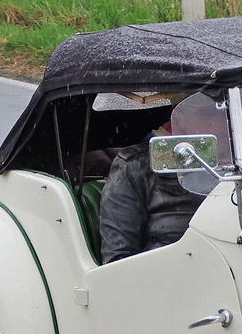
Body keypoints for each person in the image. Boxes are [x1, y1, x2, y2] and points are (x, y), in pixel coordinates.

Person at [97, 93, 227, 264]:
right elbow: (118, 260)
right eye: (205, 114)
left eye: (225, 112)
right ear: (178, 115)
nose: (218, 123)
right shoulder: (135, 166)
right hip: (172, 275)